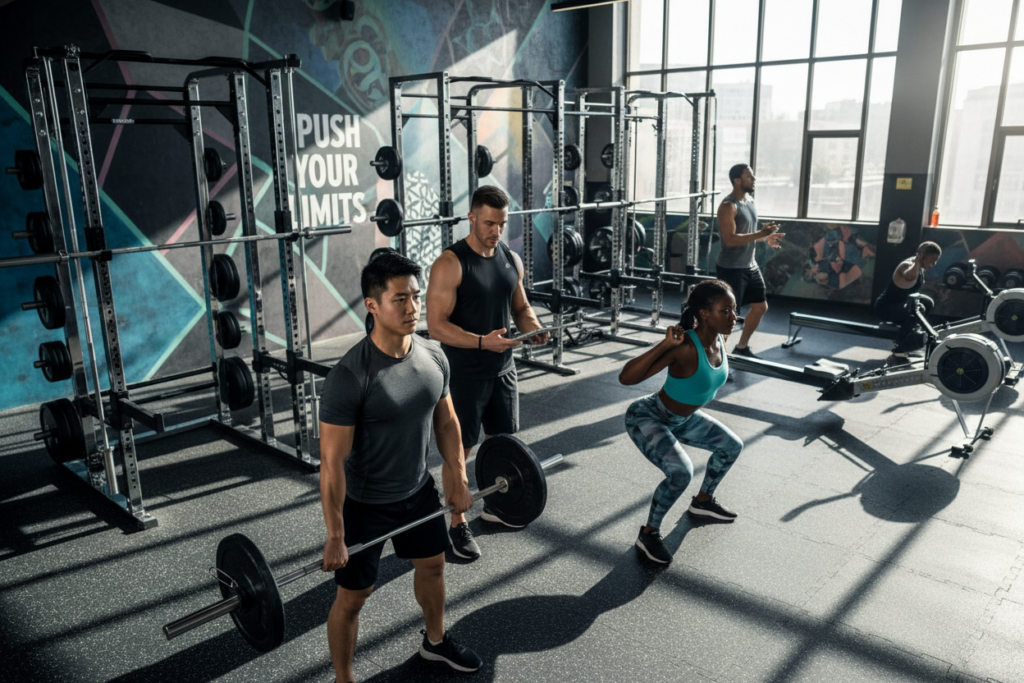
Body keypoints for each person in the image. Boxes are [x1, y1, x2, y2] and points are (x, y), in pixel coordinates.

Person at [319, 251, 482, 683]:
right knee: (354, 598)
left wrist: (459, 478)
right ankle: (344, 679)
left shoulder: (433, 355)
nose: (413, 309)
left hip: (417, 492)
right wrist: (336, 534)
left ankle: (435, 642)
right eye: (400, 299)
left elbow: (447, 423)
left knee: (432, 566)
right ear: (372, 306)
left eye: (415, 296)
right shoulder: (350, 377)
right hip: (365, 504)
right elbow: (332, 464)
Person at [426, 185, 549, 560]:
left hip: (503, 370)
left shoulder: (510, 258)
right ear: (472, 218)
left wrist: (533, 328)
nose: (496, 231)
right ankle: (457, 523)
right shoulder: (450, 262)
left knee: (502, 444)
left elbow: (521, 306)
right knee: (459, 450)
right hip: (463, 373)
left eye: (502, 223)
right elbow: (436, 326)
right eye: (489, 223)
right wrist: (482, 342)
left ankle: (495, 507)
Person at [618, 280, 744, 565]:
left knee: (731, 447)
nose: (733, 317)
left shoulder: (721, 340)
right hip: (648, 416)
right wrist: (663, 345)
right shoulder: (684, 347)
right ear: (704, 313)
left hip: (683, 419)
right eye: (725, 310)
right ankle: (648, 534)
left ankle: (702, 503)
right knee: (680, 473)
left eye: (734, 309)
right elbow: (626, 378)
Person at [715, 164, 784, 357]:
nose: (754, 180)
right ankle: (719, 358)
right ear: (737, 180)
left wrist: (765, 238)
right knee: (728, 316)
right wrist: (759, 233)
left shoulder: (750, 201)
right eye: (749, 176)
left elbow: (748, 234)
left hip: (750, 266)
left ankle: (742, 347)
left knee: (761, 307)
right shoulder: (728, 206)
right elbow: (730, 239)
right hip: (732, 268)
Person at [874, 241, 942, 365]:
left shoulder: (920, 267)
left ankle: (910, 337)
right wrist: (917, 261)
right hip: (886, 307)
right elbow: (909, 277)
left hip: (901, 303)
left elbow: (909, 292)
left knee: (928, 302)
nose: (934, 264)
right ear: (921, 255)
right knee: (913, 315)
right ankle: (899, 352)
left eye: (936, 260)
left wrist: (918, 304)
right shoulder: (907, 265)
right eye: (932, 260)